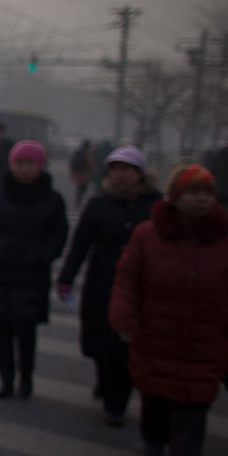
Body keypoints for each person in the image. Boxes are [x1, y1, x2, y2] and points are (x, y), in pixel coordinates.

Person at [109, 164, 228, 456]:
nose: (201, 200)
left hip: (205, 338)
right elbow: (127, 278)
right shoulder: (147, 235)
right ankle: (154, 438)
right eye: (194, 193)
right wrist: (122, 318)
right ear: (175, 198)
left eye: (207, 194)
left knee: (194, 405)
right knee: (156, 394)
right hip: (157, 333)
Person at [56, 147, 160, 425]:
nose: (120, 175)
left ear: (139, 173)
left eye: (126, 169)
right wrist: (66, 279)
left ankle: (116, 403)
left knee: (122, 342)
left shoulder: (156, 205)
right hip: (102, 279)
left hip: (140, 283)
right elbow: (80, 243)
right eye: (115, 169)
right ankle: (105, 379)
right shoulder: (98, 203)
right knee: (99, 339)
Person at [0, 140, 69, 399]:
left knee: (27, 333)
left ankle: (26, 379)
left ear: (40, 166)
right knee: (2, 332)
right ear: (11, 165)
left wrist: (43, 255)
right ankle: (5, 380)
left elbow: (59, 235)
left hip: (33, 275)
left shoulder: (52, 199)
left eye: (30, 164)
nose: (25, 169)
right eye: (20, 163)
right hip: (2, 273)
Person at [68, 140, 93, 208]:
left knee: (79, 188)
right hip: (84, 173)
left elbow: (71, 161)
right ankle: (78, 201)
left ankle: (77, 201)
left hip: (77, 173)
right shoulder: (87, 152)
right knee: (83, 188)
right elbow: (90, 163)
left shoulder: (78, 151)